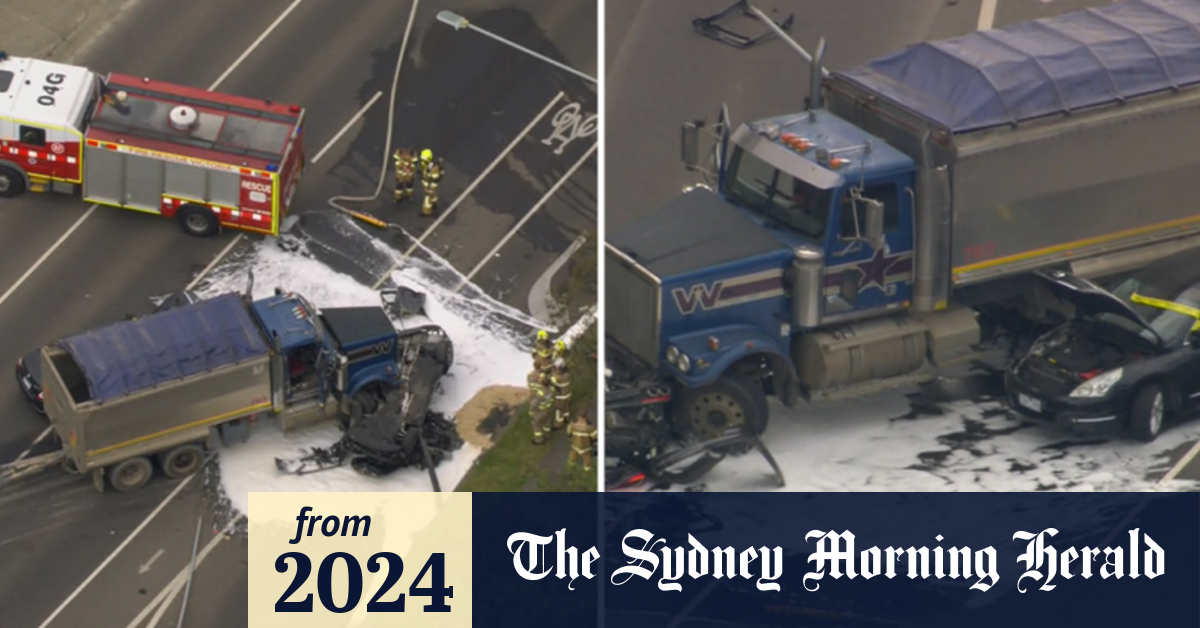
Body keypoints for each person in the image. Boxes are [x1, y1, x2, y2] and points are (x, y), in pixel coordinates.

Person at [530, 370, 554, 445]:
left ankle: (539, 440)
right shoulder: (552, 389)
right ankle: (547, 435)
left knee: (536, 424)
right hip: (549, 409)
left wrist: (531, 411)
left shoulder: (541, 393)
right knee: (547, 423)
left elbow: (534, 404)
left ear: (542, 384)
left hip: (541, 411)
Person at [419, 150, 443, 216]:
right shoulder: (428, 164)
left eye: (424, 160)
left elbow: (435, 179)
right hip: (428, 183)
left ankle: (426, 212)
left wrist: (430, 188)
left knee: (427, 197)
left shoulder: (434, 168)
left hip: (431, 185)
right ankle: (434, 203)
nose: (423, 161)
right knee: (432, 195)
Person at [550, 357, 571, 430]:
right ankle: (567, 418)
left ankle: (558, 424)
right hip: (567, 394)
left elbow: (552, 380)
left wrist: (553, 370)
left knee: (559, 410)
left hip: (560, 396)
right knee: (566, 407)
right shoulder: (566, 373)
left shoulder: (558, 377)